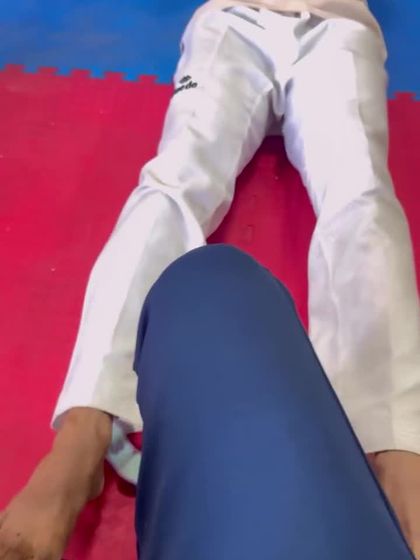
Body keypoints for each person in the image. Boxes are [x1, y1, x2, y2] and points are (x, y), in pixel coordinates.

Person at [1, 0, 420, 558]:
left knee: (362, 196)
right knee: (172, 181)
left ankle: (396, 452)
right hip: (234, 16)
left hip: (338, 25)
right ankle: (83, 433)